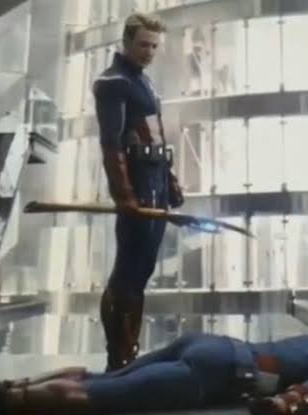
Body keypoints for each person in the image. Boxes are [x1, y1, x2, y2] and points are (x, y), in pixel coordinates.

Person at [0, 332, 308, 415]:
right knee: (106, 398)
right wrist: (283, 405)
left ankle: (11, 385)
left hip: (210, 343)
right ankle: (1, 401)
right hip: (222, 372)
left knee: (104, 378)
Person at [93, 12, 184, 371]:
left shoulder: (142, 83)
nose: (149, 51)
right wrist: (124, 195)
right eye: (143, 44)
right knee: (128, 272)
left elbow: (152, 135)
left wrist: (169, 179)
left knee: (142, 271)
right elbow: (111, 143)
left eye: (154, 46)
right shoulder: (113, 83)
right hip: (137, 186)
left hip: (154, 183)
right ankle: (118, 356)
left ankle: (127, 353)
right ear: (127, 41)